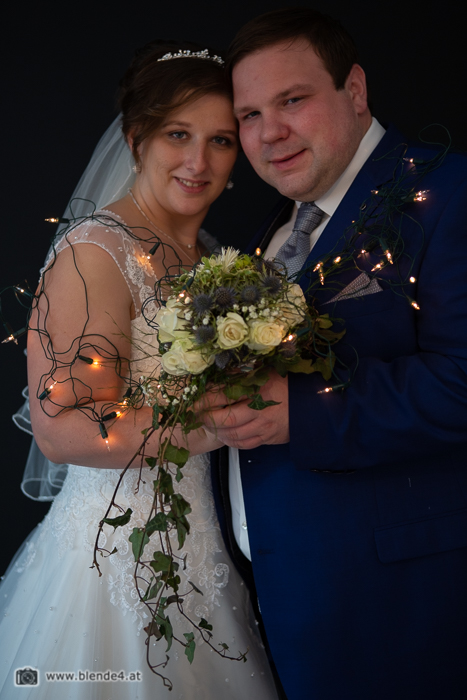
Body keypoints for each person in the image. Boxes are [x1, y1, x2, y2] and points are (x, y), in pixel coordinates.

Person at [0, 40, 279, 700]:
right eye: (178, 135)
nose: (198, 161)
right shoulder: (95, 254)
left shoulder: (213, 258)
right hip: (113, 558)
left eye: (219, 141)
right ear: (136, 138)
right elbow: (62, 430)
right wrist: (215, 426)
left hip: (206, 546)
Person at [202, 8, 467, 700]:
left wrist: (302, 411)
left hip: (402, 603)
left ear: (354, 90)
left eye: (292, 100)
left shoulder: (447, 195)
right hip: (283, 592)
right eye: (250, 115)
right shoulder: (272, 229)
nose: (269, 133)